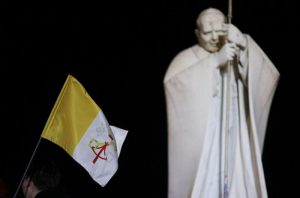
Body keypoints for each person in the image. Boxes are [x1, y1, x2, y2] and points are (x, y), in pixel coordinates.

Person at [163, 7, 279, 198]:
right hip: (205, 136)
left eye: (219, 31)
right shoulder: (185, 59)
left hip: (233, 128)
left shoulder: (233, 53)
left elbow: (266, 77)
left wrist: (243, 43)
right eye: (208, 32)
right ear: (197, 33)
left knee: (235, 174)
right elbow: (174, 86)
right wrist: (214, 62)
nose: (215, 37)